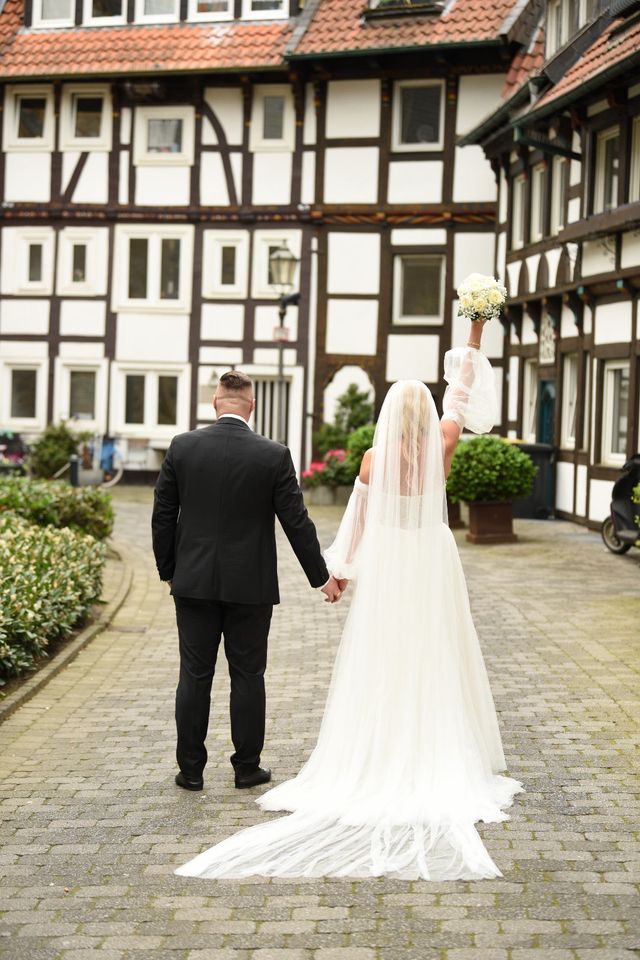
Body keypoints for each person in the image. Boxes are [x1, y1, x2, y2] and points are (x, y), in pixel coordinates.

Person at [176, 318, 524, 881]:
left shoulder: (370, 460)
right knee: (435, 653)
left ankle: (375, 752)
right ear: (427, 417)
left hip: (388, 568)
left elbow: (357, 525)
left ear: (389, 416)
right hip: (431, 564)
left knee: (382, 658)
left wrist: (336, 575)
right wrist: (476, 336)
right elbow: (459, 394)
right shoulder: (444, 444)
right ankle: (436, 748)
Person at [152, 370, 343, 793]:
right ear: (251, 406)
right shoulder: (273, 454)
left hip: (193, 583)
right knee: (248, 675)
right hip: (250, 587)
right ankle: (246, 768)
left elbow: (163, 515)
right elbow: (296, 521)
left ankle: (192, 771)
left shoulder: (183, 448)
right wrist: (322, 577)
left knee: (194, 675)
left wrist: (169, 571)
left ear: (215, 403)